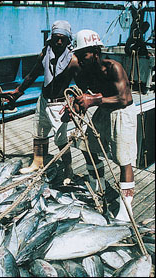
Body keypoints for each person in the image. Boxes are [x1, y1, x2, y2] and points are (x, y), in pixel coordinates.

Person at [0, 20, 80, 184]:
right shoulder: (45, 54)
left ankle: (68, 168)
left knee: (60, 139)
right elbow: (32, 75)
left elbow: (82, 84)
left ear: (68, 40)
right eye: (56, 38)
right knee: (39, 133)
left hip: (60, 104)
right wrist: (17, 93)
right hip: (43, 100)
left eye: (62, 39)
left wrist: (74, 101)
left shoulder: (73, 60)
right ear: (51, 37)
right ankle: (37, 162)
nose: (59, 42)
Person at [69, 29, 138, 222]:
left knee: (124, 159)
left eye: (84, 55)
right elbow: (81, 97)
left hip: (122, 112)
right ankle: (99, 186)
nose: (80, 59)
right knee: (86, 146)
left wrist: (94, 99)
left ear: (96, 52)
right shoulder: (84, 73)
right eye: (79, 55)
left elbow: (124, 98)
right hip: (103, 110)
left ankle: (127, 209)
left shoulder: (113, 67)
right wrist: (73, 107)